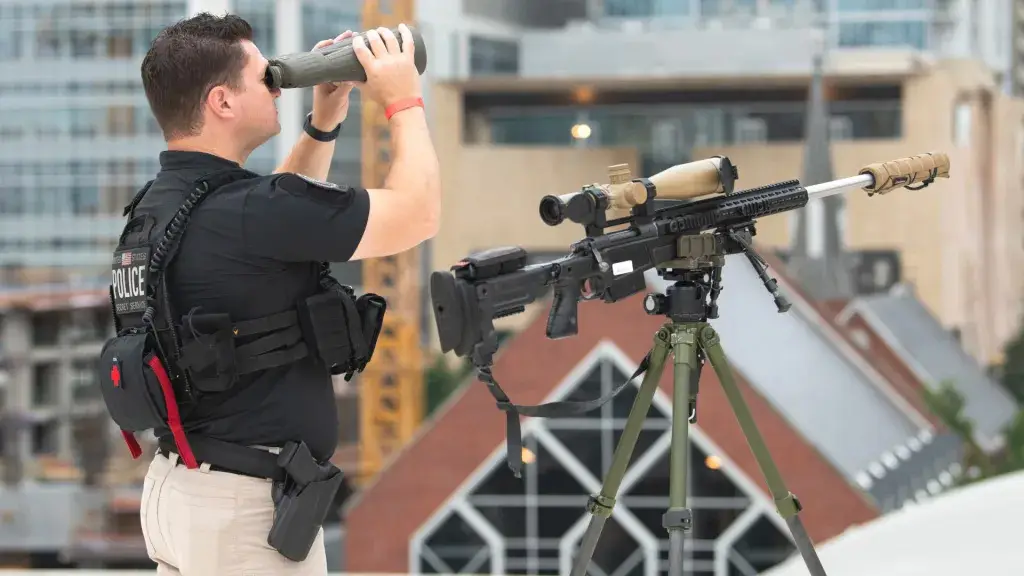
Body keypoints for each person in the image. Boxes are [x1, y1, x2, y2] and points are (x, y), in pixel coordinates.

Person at [104, 12, 440, 576]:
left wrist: (323, 122)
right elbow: (419, 213)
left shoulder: (157, 208)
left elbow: (274, 220)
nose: (277, 84)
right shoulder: (247, 212)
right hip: (245, 518)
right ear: (222, 102)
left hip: (183, 493)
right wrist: (403, 101)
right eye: (265, 77)